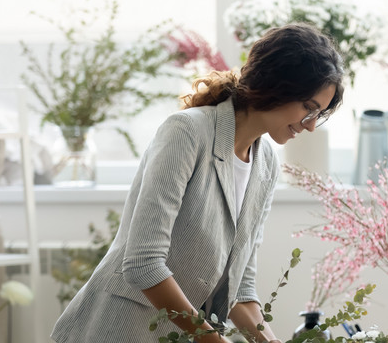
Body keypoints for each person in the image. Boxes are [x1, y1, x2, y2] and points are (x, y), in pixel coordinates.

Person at [50, 23, 344, 343]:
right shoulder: (187, 132)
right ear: (277, 83)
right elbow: (143, 263)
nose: (312, 126)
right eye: (309, 108)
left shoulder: (267, 164)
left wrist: (269, 341)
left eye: (320, 114)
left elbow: (240, 285)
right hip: (117, 331)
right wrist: (214, 340)